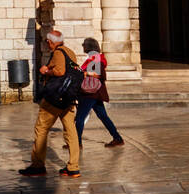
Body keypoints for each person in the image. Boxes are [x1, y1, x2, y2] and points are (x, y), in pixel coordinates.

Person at [19, 29, 81, 178]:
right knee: (71, 131)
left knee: (41, 129)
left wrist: (46, 71)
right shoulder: (70, 52)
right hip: (68, 98)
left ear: (50, 41)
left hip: (55, 98)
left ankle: (38, 165)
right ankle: (73, 167)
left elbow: (59, 71)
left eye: (47, 42)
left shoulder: (59, 53)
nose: (47, 44)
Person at [75, 38, 124, 149]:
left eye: (84, 45)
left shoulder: (96, 58)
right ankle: (118, 138)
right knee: (103, 116)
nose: (83, 47)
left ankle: (76, 143)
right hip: (95, 93)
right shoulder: (94, 58)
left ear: (88, 46)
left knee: (80, 118)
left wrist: (85, 73)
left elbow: (98, 74)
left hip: (91, 93)